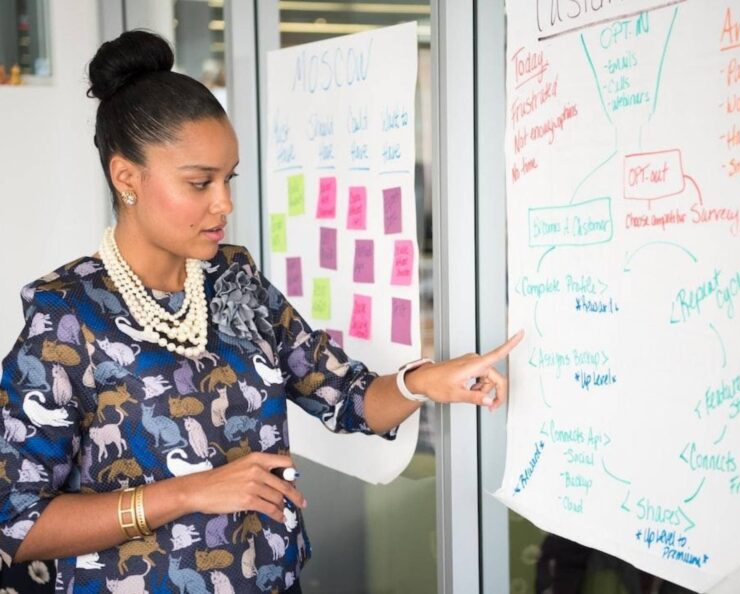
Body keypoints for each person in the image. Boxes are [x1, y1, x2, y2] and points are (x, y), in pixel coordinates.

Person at [0, 30, 524, 593]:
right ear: (127, 177)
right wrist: (190, 491)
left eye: (229, 179)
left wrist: (424, 382)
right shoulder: (67, 317)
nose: (223, 203)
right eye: (200, 182)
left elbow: (346, 397)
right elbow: (16, 520)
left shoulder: (234, 280)